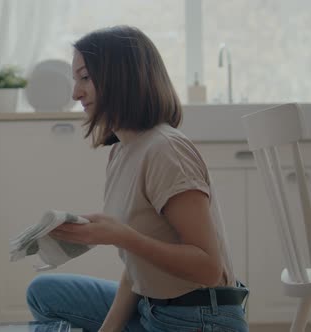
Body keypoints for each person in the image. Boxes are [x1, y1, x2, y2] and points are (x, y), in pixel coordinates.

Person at [25, 25, 249, 332]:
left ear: (120, 76)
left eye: (85, 78)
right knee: (43, 294)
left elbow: (209, 268)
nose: (76, 93)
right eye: (75, 79)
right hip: (152, 306)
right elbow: (137, 269)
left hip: (197, 317)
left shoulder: (166, 149)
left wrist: (121, 236)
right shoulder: (122, 151)